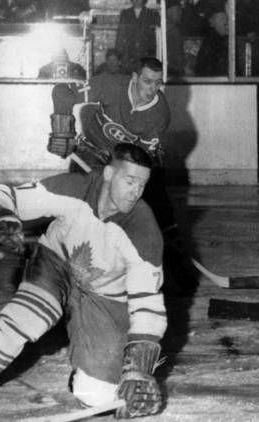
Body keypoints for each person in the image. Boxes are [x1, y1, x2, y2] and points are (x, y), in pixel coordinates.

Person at [0, 143, 166, 422]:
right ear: (108, 174)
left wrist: (137, 370)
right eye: (130, 181)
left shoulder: (143, 228)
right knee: (28, 316)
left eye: (142, 184)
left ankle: (84, 367)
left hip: (103, 297)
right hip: (57, 266)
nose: (136, 191)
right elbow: (3, 194)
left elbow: (147, 305)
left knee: (99, 396)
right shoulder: (74, 188)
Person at [48, 56, 198, 294]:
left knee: (158, 206)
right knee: (77, 206)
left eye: (158, 83)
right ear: (135, 78)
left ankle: (173, 264)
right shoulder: (109, 85)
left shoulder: (159, 114)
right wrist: (62, 131)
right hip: (90, 153)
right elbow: (62, 93)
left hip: (128, 163)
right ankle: (57, 268)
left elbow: (143, 160)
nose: (153, 89)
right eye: (147, 81)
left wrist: (124, 182)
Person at [115, 0, 160, 74]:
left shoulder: (152, 14)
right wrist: (118, 55)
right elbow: (120, 35)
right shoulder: (125, 13)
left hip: (147, 55)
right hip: (129, 56)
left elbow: (156, 37)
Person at [194, 8, 228, 76]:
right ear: (212, 23)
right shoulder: (211, 42)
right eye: (222, 19)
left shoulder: (228, 40)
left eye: (227, 19)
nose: (226, 22)